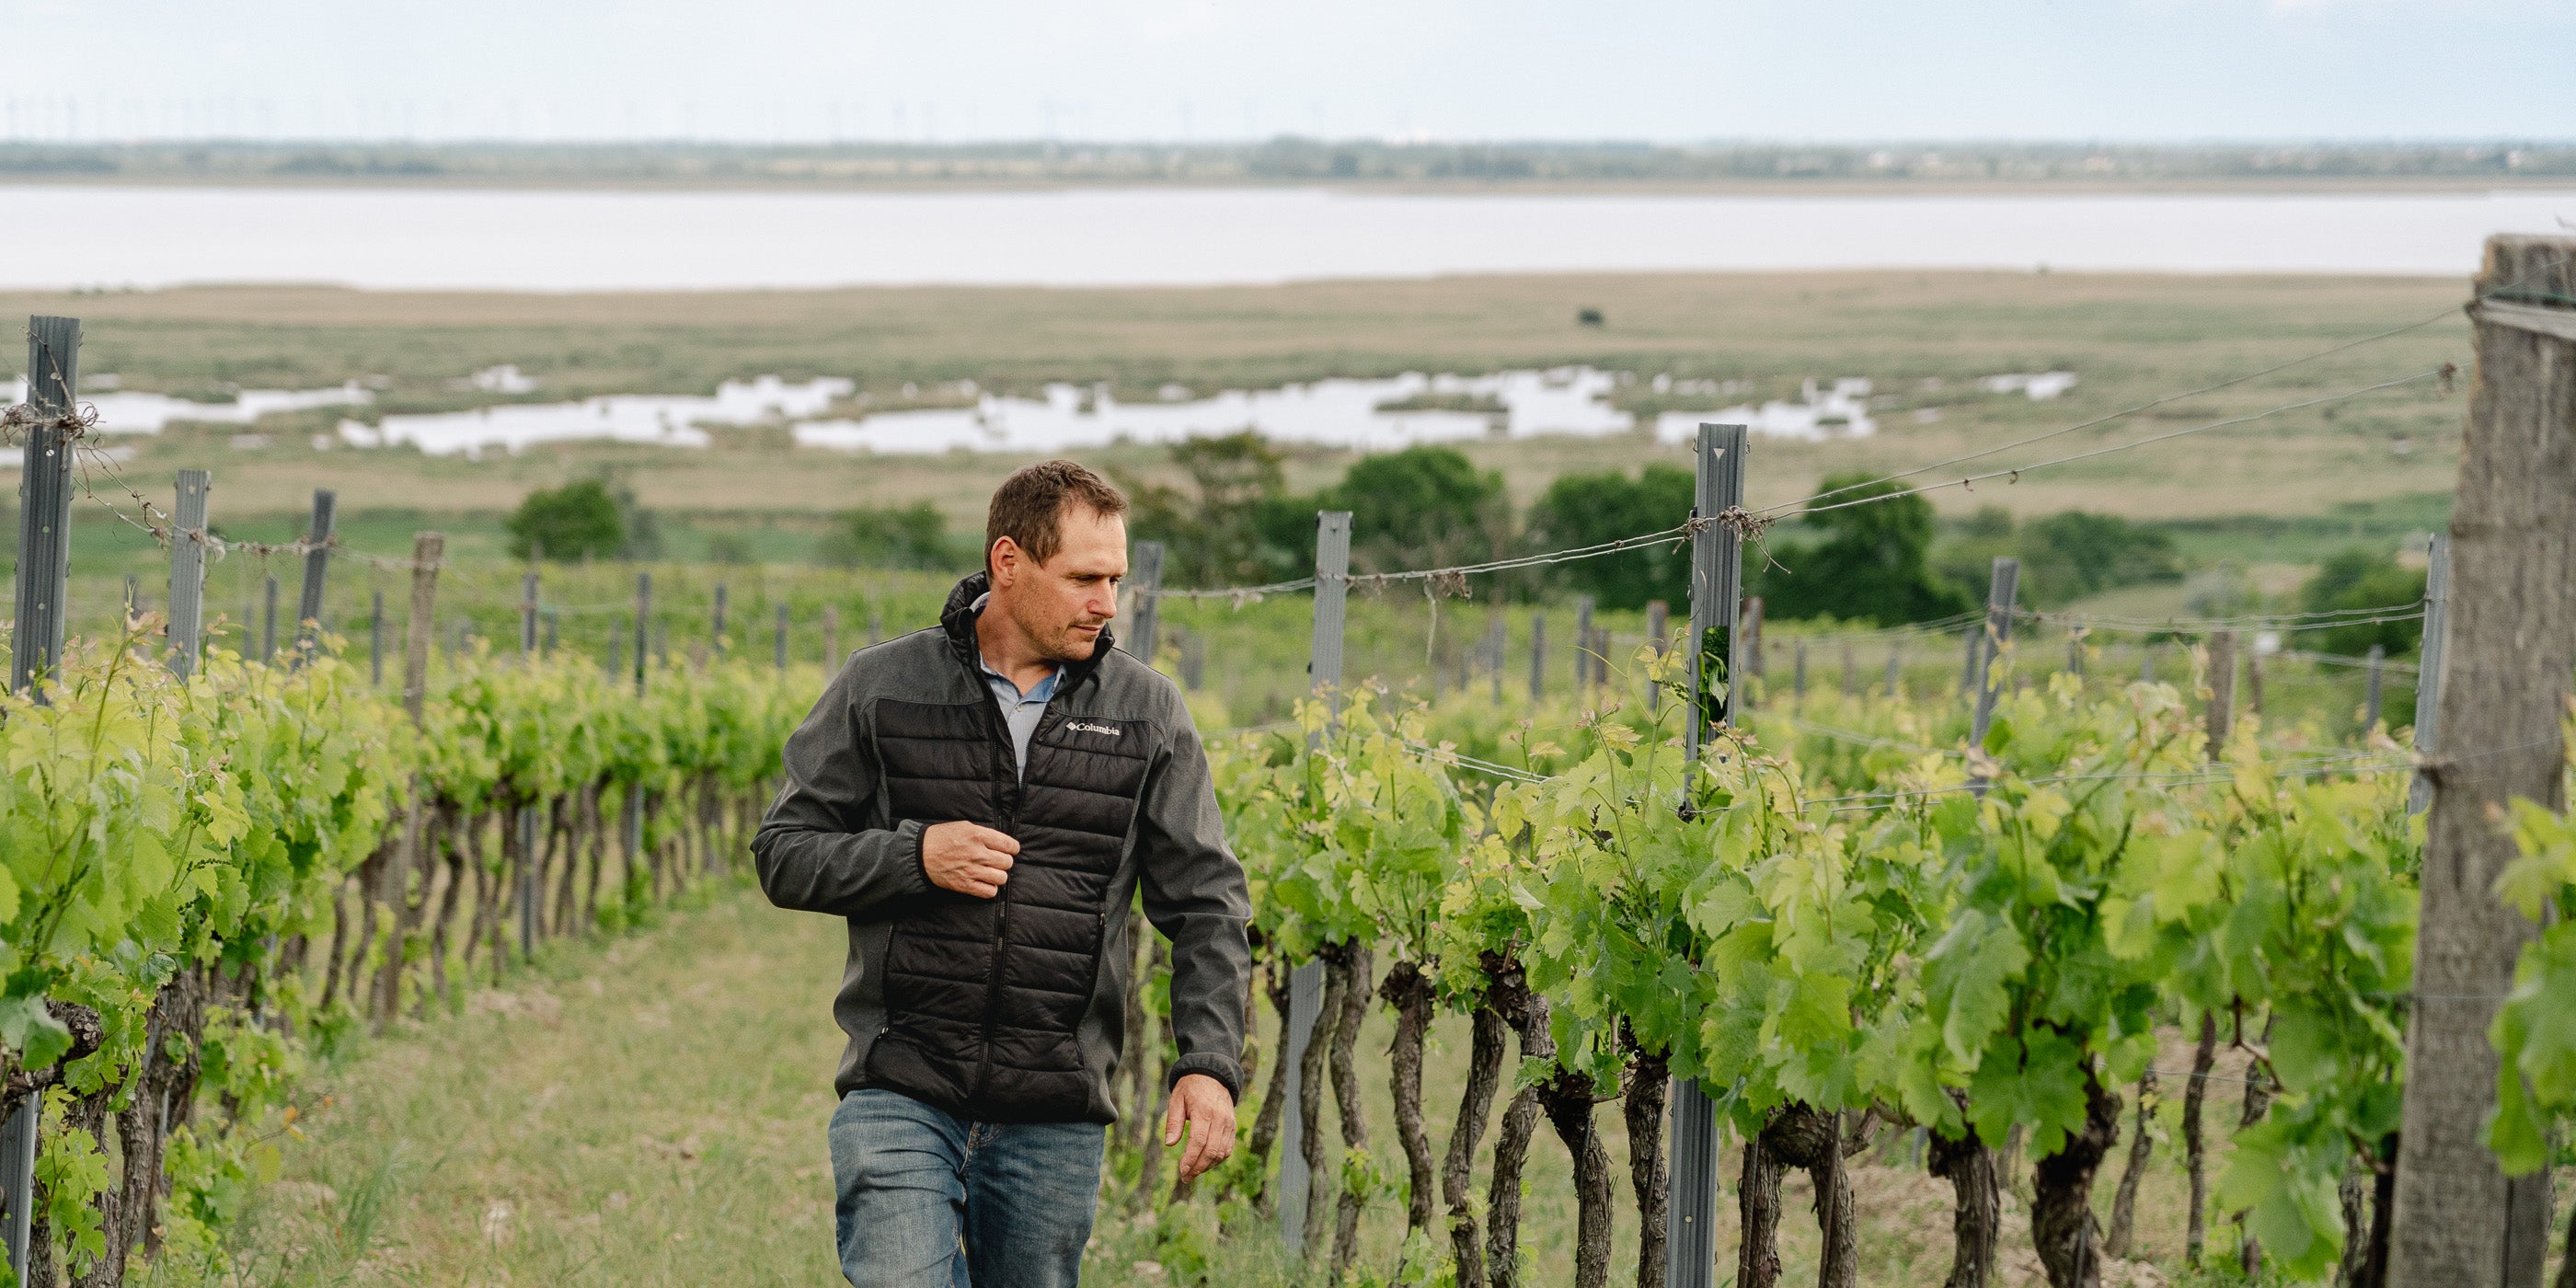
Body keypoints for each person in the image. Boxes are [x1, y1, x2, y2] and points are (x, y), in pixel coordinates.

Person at [752, 459, 1250, 1288]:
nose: (1107, 603)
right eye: (1084, 578)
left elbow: (1206, 904)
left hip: (1054, 1105)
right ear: (1008, 562)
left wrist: (1208, 1063)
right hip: (901, 1082)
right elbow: (784, 851)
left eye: (1116, 579)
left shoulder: (1147, 711)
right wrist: (912, 856)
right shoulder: (882, 686)